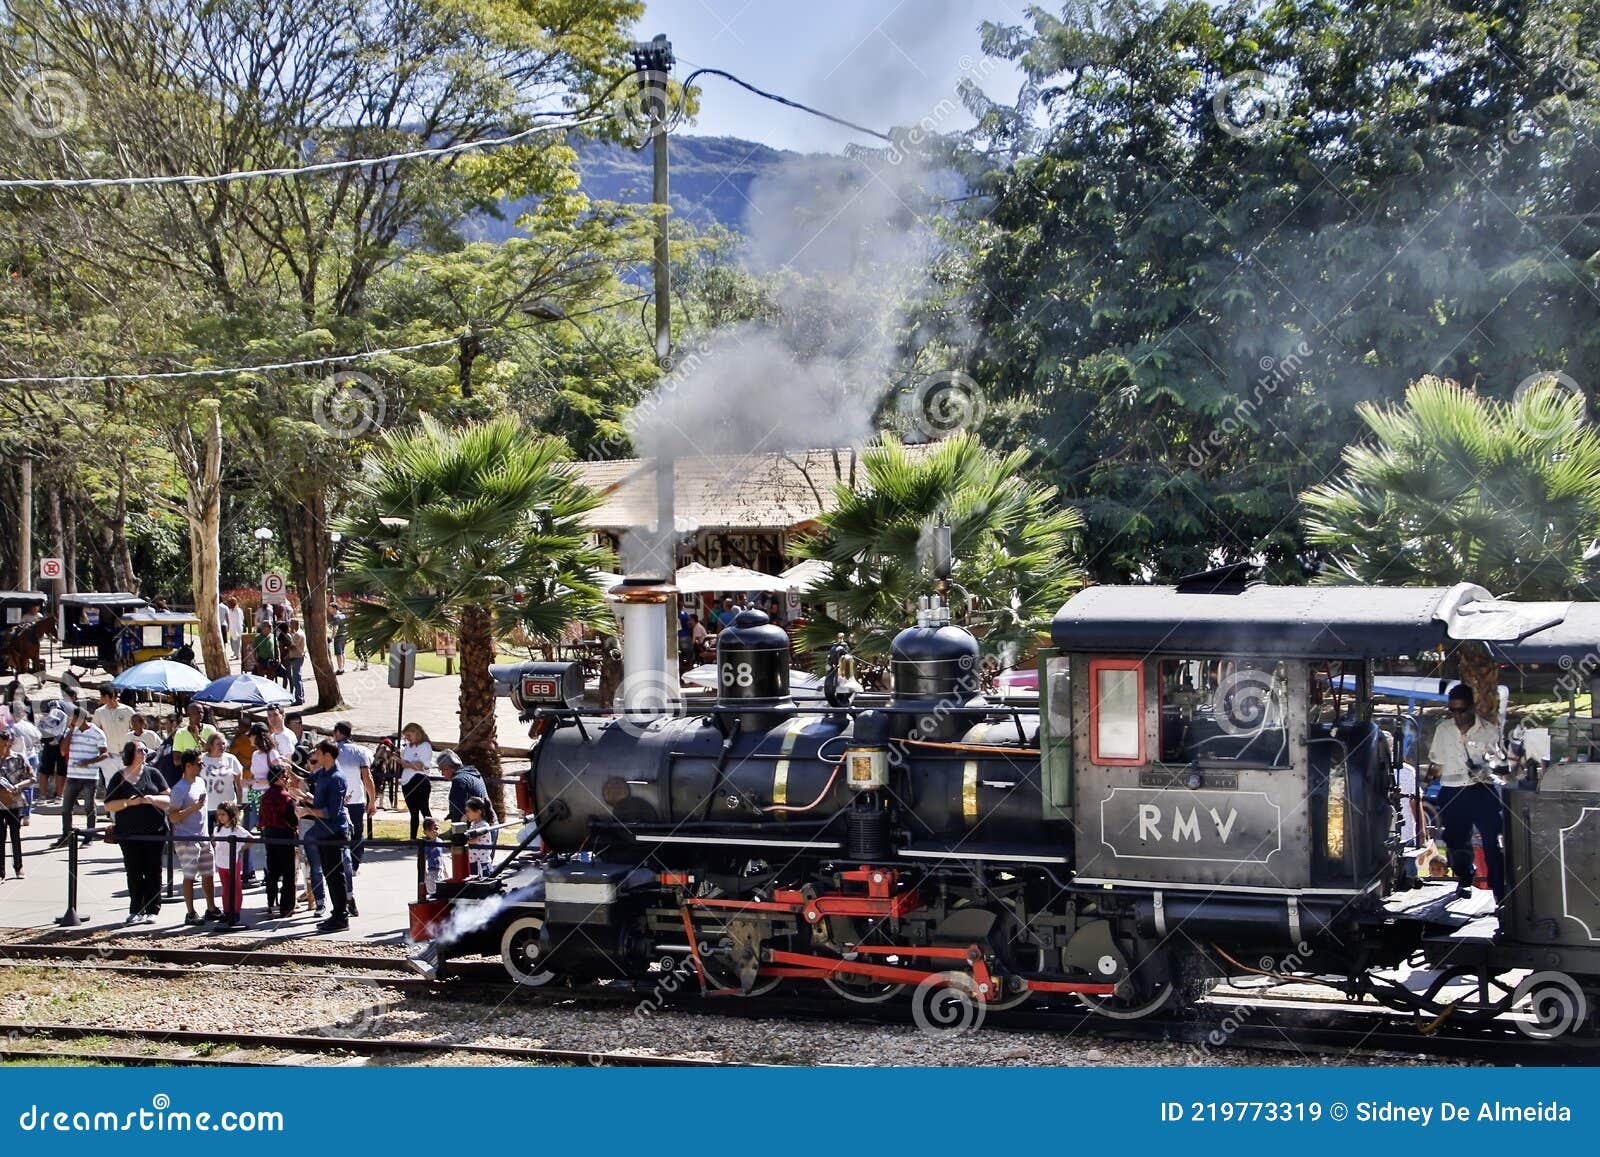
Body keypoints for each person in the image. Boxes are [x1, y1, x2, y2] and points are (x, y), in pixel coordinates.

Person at [1426, 684, 1508, 902]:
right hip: (1453, 791)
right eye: (1453, 710)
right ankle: (1465, 878)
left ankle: (1500, 890)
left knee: (1492, 841)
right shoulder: (1443, 729)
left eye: (1462, 710)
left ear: (1472, 707)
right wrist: (1430, 776)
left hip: (1481, 790)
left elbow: (1499, 763)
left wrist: (1486, 767)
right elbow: (1438, 762)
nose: (1458, 716)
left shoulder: (1489, 730)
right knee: (1455, 840)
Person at [103, 742, 170, 924]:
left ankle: (152, 909)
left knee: (153, 870)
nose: (144, 753)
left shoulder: (153, 773)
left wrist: (152, 799)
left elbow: (168, 798)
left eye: (145, 750)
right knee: (133, 870)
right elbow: (109, 804)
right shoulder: (119, 777)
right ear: (131, 753)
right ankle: (135, 908)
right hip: (128, 832)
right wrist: (128, 803)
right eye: (141, 750)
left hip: (154, 831)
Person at [298, 739, 351, 932]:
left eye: (318, 753)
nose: (315, 756)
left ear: (327, 755)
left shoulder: (337, 778)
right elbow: (307, 778)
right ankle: (336, 913)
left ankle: (341, 916)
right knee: (329, 875)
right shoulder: (324, 773)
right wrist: (289, 769)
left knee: (335, 876)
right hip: (322, 833)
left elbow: (332, 812)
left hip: (333, 833)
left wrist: (307, 812)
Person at [166, 749, 219, 924]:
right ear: (188, 765)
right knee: (190, 876)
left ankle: (211, 908)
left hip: (203, 836)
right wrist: (192, 809)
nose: (201, 766)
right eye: (199, 764)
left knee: (208, 874)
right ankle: (190, 912)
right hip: (186, 838)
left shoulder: (201, 783)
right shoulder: (179, 789)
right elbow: (172, 816)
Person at [55, 706, 107, 846]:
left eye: (73, 718)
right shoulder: (71, 732)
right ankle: (66, 835)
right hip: (73, 775)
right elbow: (62, 750)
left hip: (90, 776)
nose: (70, 720)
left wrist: (88, 762)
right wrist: (71, 730)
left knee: (89, 807)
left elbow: (104, 753)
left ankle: (89, 836)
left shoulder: (97, 733)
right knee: (66, 808)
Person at [331, 722, 375, 874]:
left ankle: (338, 863)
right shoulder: (360, 751)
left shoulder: (331, 751)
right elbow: (367, 777)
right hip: (357, 798)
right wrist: (372, 800)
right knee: (357, 832)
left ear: (337, 733)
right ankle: (354, 864)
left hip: (336, 799)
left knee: (336, 831)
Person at [259, 765, 298, 918]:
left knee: (272, 871)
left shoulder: (265, 796)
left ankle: (270, 903)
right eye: (285, 776)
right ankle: (286, 906)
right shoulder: (286, 798)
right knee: (288, 872)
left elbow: (261, 818)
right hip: (284, 835)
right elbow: (293, 820)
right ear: (278, 778)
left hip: (269, 834)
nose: (287, 779)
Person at [0, 729, 36, 880]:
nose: (3, 748)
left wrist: (18, 787)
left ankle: (18, 867)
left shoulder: (19, 758)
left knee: (15, 835)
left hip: (15, 802)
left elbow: (32, 778)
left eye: (6, 745)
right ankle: (1, 872)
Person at [212, 801, 252, 928]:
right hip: (221, 862)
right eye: (219, 815)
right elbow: (214, 841)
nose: (220, 817)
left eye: (223, 814)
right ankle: (227, 910)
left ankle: (235, 911)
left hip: (233, 862)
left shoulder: (237, 829)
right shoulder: (217, 828)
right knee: (225, 888)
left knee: (235, 887)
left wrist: (241, 849)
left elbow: (251, 839)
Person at [200, 732, 243, 835]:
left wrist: (239, 805)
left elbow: (239, 784)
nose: (222, 746)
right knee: (208, 839)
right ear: (211, 745)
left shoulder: (231, 759)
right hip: (207, 807)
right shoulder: (201, 759)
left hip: (227, 808)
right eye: (218, 744)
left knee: (227, 838)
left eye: (224, 743)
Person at [398, 722, 434, 841]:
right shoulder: (409, 746)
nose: (407, 738)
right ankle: (413, 837)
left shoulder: (425, 745)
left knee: (424, 809)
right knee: (413, 812)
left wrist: (405, 763)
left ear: (416, 733)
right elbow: (408, 762)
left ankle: (432, 834)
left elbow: (420, 766)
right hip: (406, 781)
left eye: (409, 735)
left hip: (419, 779)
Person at [93, 687, 133, 790]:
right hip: (109, 754)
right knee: (110, 783)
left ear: (107, 697)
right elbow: (95, 731)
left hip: (126, 753)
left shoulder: (127, 710)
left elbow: (136, 728)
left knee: (129, 781)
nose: (100, 698)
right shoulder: (99, 712)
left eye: (101, 696)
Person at [438, 750, 494, 824]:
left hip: (480, 828)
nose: (442, 774)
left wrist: (456, 833)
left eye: (442, 770)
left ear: (447, 768)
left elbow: (458, 812)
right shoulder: (472, 772)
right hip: (490, 823)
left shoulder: (459, 781)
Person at [35, 697, 70, 802]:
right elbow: (65, 729)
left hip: (48, 746)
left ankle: (42, 796)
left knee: (44, 771)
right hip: (62, 745)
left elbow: (40, 730)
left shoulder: (45, 716)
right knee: (61, 772)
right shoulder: (64, 715)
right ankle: (59, 796)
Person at [463, 797, 493, 877]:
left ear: (478, 812)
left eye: (468, 811)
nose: (466, 814)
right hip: (473, 861)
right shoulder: (473, 824)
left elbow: (473, 840)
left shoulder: (483, 825)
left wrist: (462, 840)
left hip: (482, 863)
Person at [284, 618, 307, 705]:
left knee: (296, 678)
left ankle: (299, 698)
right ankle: (301, 697)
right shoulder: (300, 632)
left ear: (295, 625)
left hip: (296, 657)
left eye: (291, 624)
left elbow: (292, 646)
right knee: (298, 677)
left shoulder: (297, 634)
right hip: (298, 657)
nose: (290, 626)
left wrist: (286, 648)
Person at [421, 816, 443, 898]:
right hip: (431, 873)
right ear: (425, 832)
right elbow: (422, 861)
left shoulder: (440, 841)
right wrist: (425, 875)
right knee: (434, 894)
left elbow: (441, 856)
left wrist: (445, 870)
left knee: (442, 892)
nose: (434, 831)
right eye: (430, 830)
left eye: (436, 828)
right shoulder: (426, 845)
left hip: (440, 871)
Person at [224, 596, 244, 664]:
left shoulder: (238, 610)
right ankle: (235, 652)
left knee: (238, 642)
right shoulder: (229, 611)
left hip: (238, 628)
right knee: (232, 642)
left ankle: (237, 654)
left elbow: (241, 619)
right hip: (232, 628)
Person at [330, 601, 348, 675]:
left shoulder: (336, 617)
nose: (329, 610)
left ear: (334, 608)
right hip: (344, 635)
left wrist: (331, 638)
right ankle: (343, 667)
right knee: (342, 652)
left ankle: (340, 669)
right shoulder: (343, 615)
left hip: (338, 636)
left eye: (330, 608)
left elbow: (335, 629)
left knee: (338, 653)